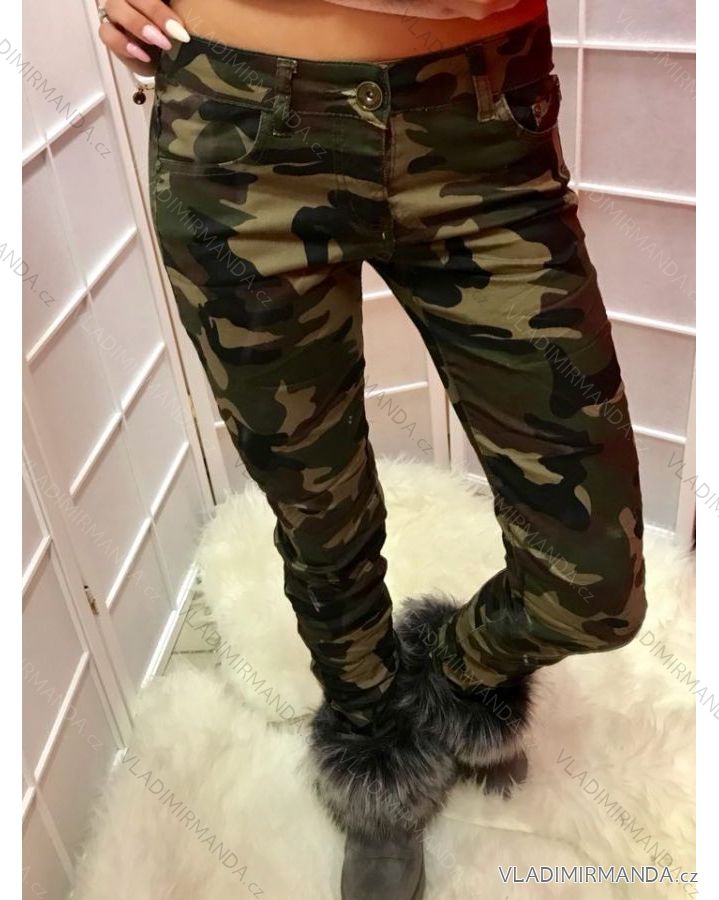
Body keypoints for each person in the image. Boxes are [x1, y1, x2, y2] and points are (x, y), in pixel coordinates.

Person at [98, 1, 648, 897]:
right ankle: (372, 735)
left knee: (593, 581)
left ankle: (455, 673)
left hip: (479, 128)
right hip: (237, 134)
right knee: (320, 515)